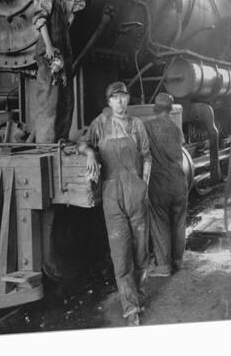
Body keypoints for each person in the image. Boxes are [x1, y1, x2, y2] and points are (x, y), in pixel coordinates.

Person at [78, 82, 152, 326]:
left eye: (123, 97)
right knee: (121, 255)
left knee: (141, 253)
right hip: (112, 196)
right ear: (109, 102)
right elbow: (83, 143)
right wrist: (90, 153)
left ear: (128, 100)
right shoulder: (100, 123)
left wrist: (144, 186)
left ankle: (138, 295)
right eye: (115, 98)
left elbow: (147, 156)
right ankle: (131, 309)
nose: (120, 102)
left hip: (136, 194)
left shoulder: (136, 125)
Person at [33, 0, 85, 143]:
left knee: (66, 97)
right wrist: (48, 46)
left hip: (64, 52)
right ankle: (46, 142)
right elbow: (40, 20)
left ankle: (61, 138)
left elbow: (80, 3)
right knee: (49, 96)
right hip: (50, 52)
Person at [144, 93, 188, 277]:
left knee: (160, 223)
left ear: (155, 108)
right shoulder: (176, 128)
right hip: (179, 182)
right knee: (178, 223)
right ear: (170, 109)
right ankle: (178, 262)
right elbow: (182, 147)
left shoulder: (147, 126)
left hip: (159, 183)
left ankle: (163, 267)